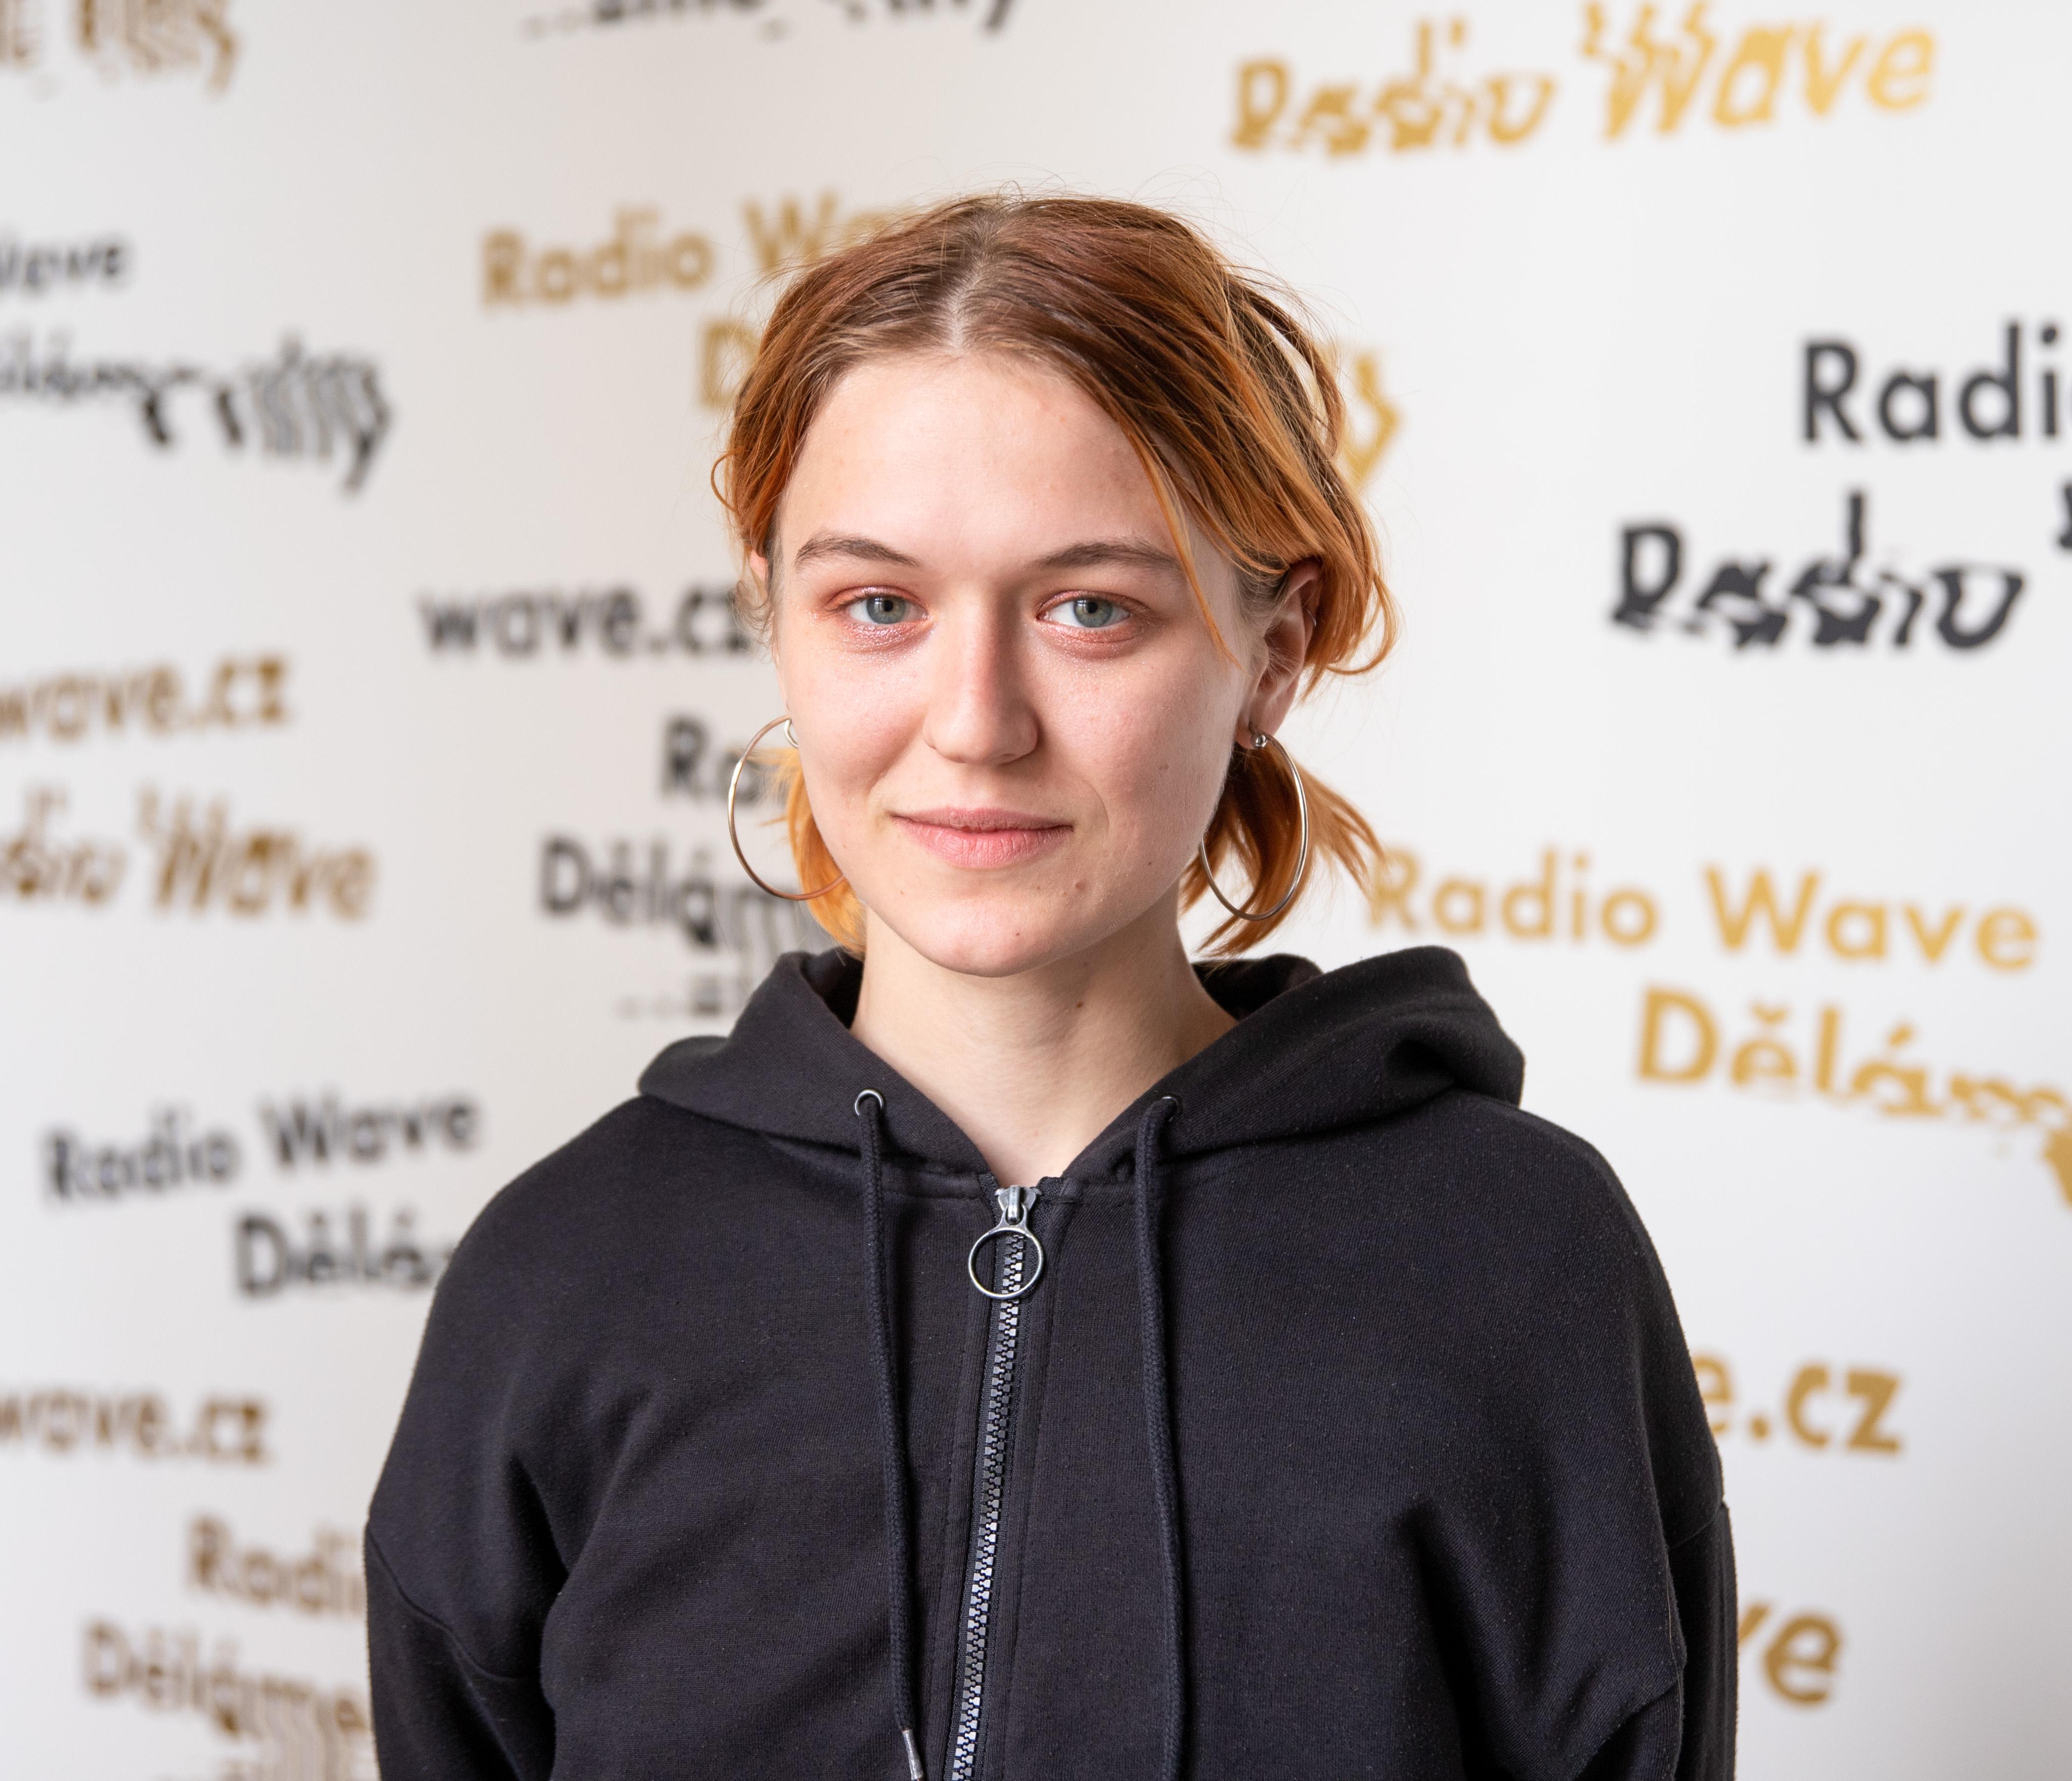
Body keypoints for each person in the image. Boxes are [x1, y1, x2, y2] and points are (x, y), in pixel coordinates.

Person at [367, 192, 1733, 1781]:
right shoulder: (564, 1269)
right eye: (878, 605)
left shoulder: (1517, 1261)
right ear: (773, 616)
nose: (974, 722)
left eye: (1091, 608)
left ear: (1274, 650)